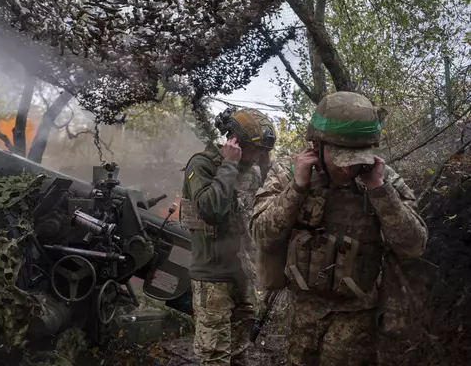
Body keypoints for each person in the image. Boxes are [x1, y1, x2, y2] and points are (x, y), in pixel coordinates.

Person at [250, 91, 428, 366]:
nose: (348, 168)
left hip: (357, 313)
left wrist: (380, 191)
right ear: (316, 145)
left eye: (358, 157)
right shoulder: (288, 173)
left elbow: (414, 245)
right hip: (303, 310)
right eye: (340, 157)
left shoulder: (381, 179)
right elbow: (263, 236)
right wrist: (297, 187)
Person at [179, 107, 277, 365]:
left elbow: (271, 207)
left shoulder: (253, 171)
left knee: (239, 353)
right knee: (214, 357)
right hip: (212, 277)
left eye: (261, 151)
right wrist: (229, 164)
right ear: (235, 141)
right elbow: (210, 209)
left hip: (243, 275)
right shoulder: (202, 165)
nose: (257, 156)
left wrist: (268, 169)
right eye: (254, 149)